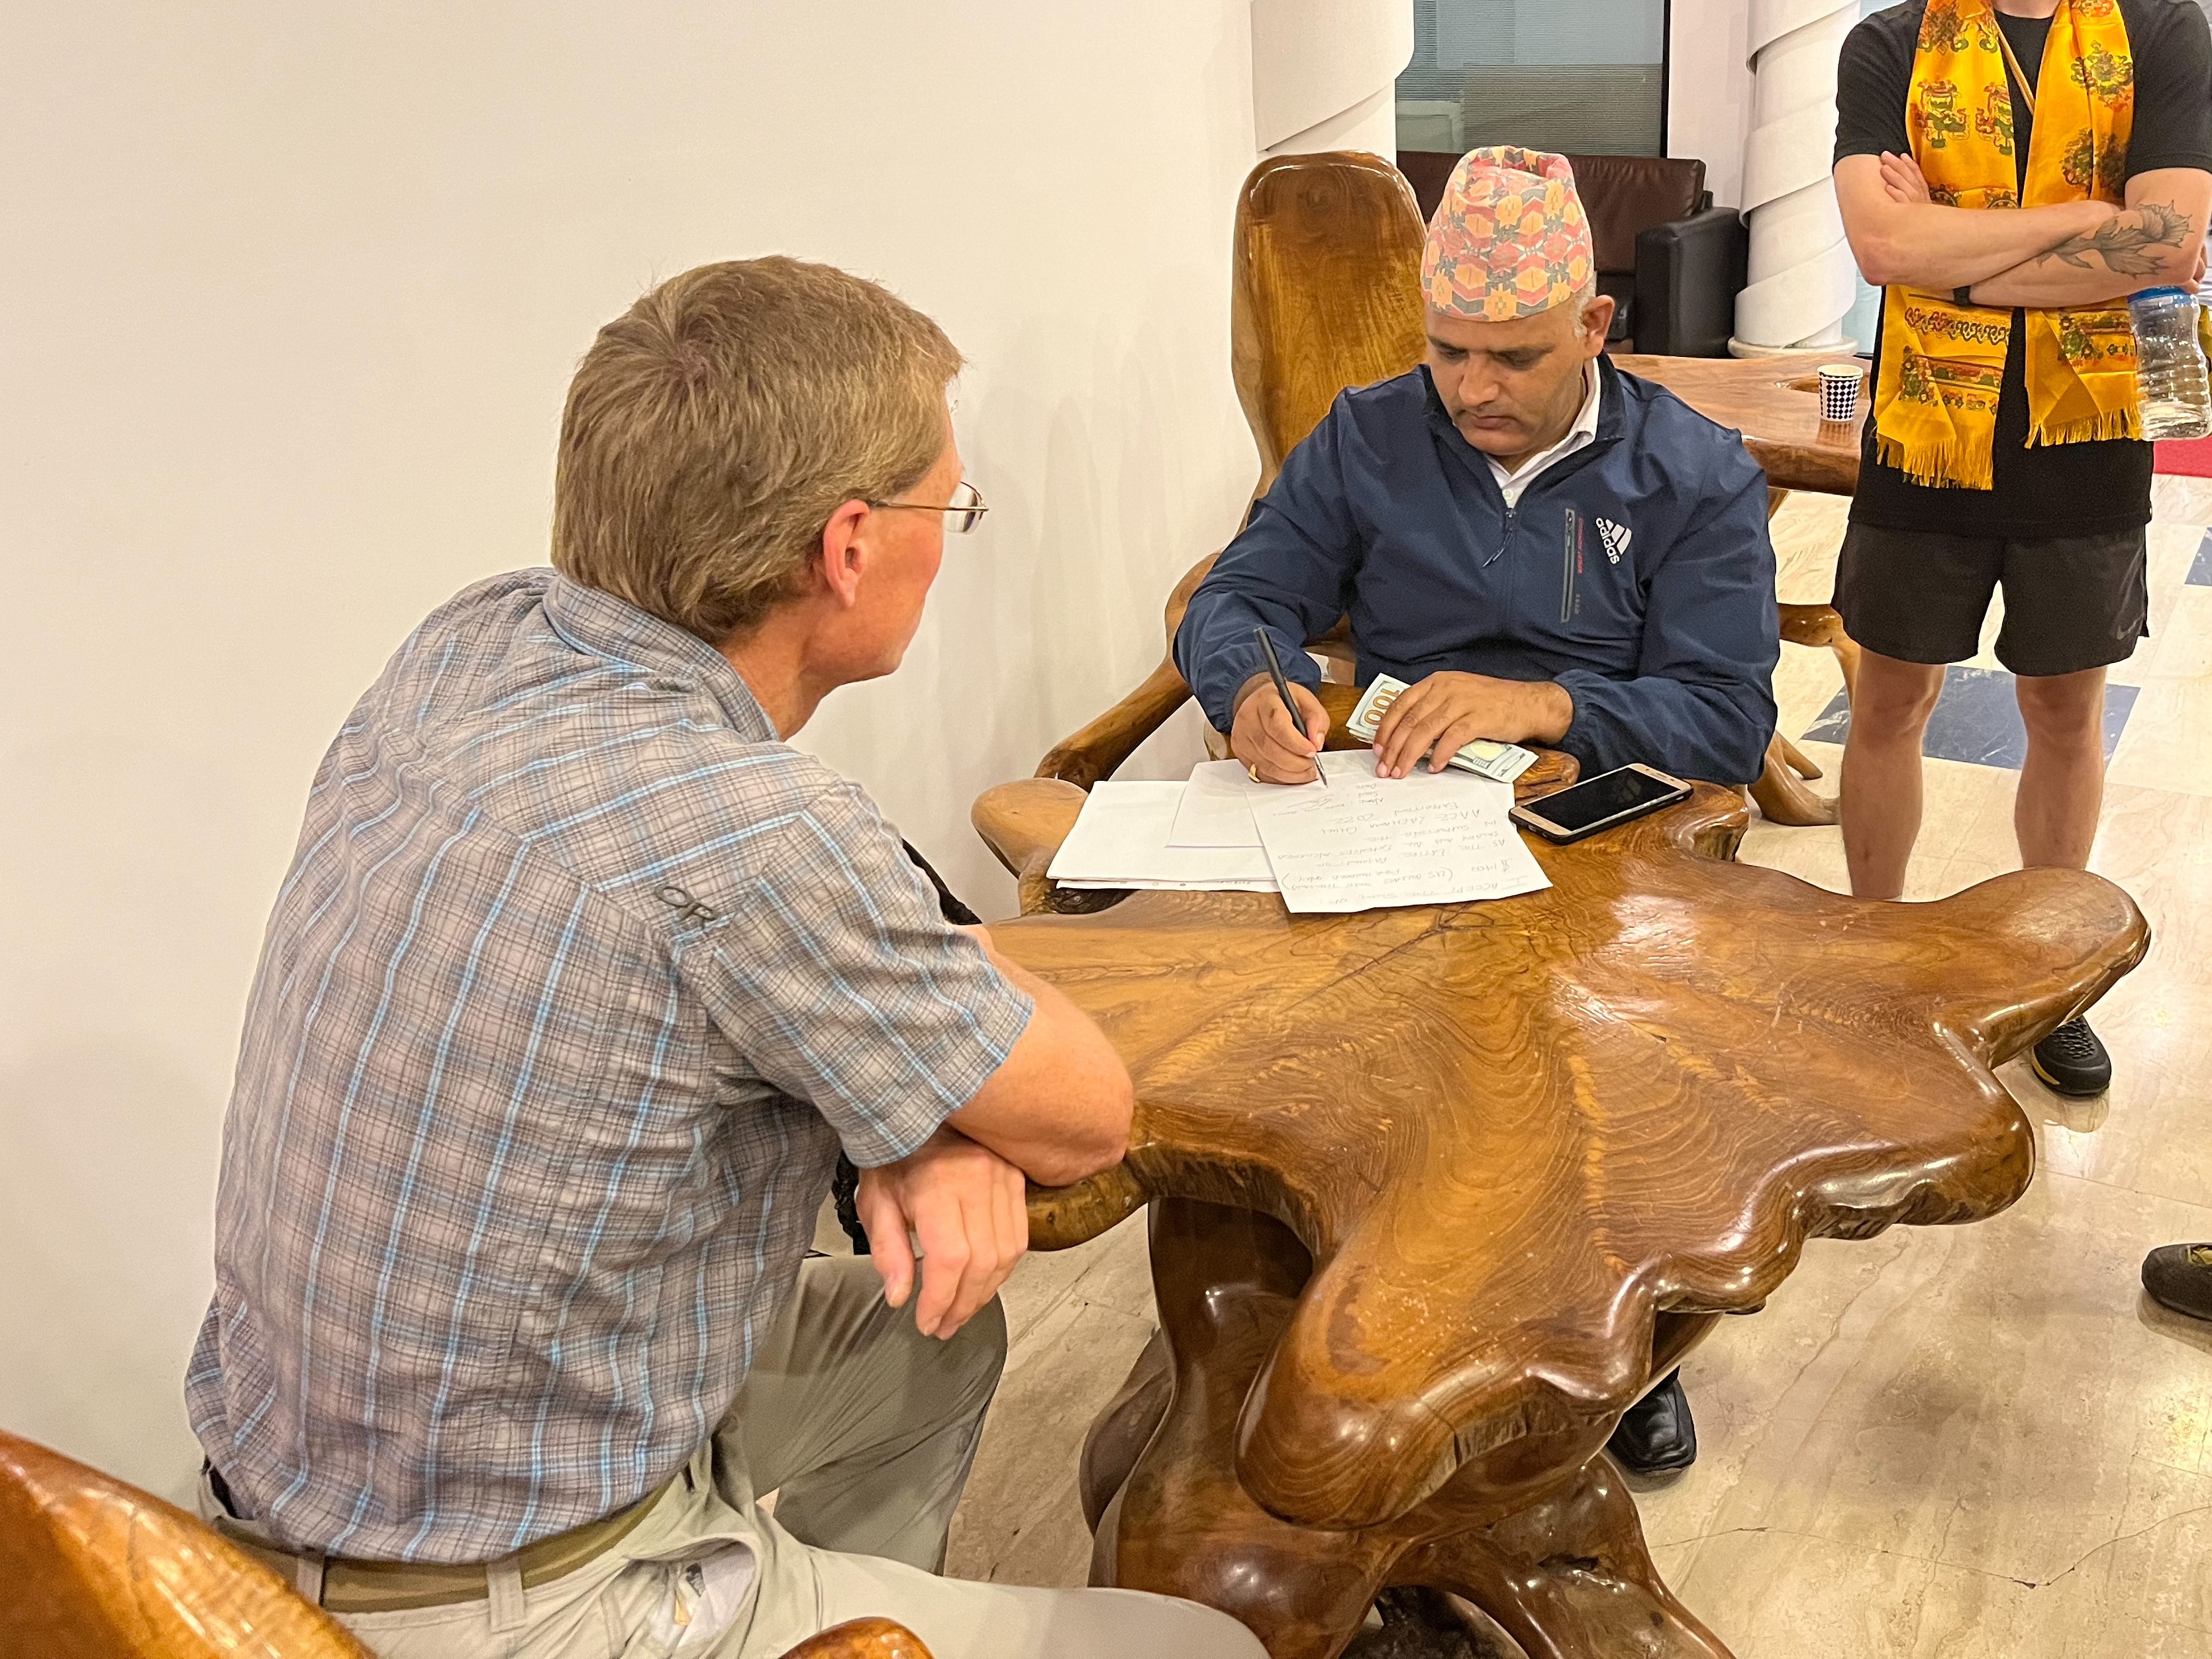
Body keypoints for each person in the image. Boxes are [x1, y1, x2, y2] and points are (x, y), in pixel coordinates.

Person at [183, 258, 1267, 1659]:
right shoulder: (754, 838)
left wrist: (906, 1108)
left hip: (282, 1502)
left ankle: (837, 1620)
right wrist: (928, 1093)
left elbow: (812, 940)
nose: (953, 540)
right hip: (503, 1604)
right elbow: (1081, 1113)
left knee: (921, 1337)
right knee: (1212, 1650)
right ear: (849, 546)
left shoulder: (470, 644)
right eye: (952, 508)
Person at [1172, 147, 1782, 1475]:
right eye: (1447, 352)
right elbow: (1241, 594)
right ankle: (1359, 1293)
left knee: (1597, 1075)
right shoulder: (1369, 434)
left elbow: (1728, 718)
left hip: (1610, 838)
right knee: (1337, 1055)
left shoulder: (1691, 473)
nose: (1472, 389)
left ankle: (1627, 1335)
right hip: (1401, 809)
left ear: (1594, 325)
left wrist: (1544, 702)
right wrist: (1253, 683)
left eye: (1512, 357)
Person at [1831, 0, 2212, 1097]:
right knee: (1888, 703)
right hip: (1924, 432)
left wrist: (1953, 261)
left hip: (2088, 435)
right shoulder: (1889, 44)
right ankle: (1872, 958)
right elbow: (1882, 245)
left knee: (2065, 713)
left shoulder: (2162, 31)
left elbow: (2167, 248)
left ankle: (2054, 979)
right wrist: (2089, 220)